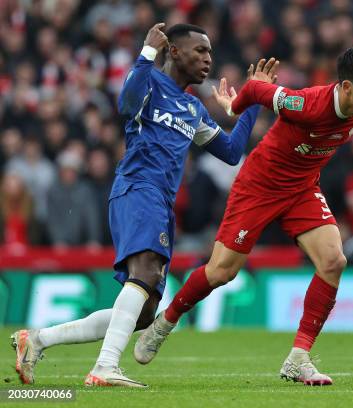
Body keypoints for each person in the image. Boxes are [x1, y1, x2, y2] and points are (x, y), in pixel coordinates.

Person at [11, 22, 270, 387]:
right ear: (174, 52)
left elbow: (230, 152)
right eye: (200, 51)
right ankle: (104, 367)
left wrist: (254, 102)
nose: (208, 60)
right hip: (137, 188)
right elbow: (126, 103)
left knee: (145, 313)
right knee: (145, 275)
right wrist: (146, 53)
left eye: (210, 52)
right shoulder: (149, 83)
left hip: (160, 204)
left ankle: (37, 340)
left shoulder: (193, 108)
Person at [135, 47, 353, 386]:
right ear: (347, 87)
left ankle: (299, 357)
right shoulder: (306, 105)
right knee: (221, 272)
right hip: (259, 186)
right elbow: (257, 90)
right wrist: (235, 106)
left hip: (302, 189)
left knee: (333, 261)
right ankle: (165, 322)